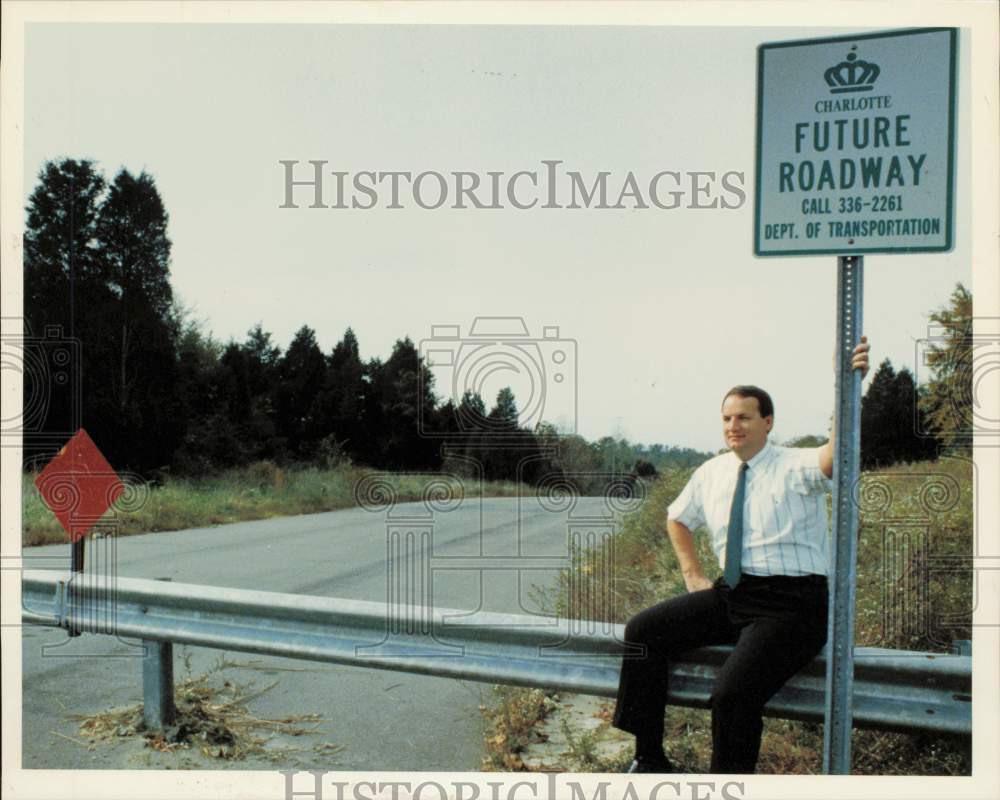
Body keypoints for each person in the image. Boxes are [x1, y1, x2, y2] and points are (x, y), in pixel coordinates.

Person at [611, 337, 871, 774]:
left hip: (793, 605)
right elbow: (677, 519)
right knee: (643, 631)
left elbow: (835, 453)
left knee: (732, 694)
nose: (734, 425)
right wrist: (693, 574)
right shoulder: (712, 471)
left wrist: (846, 387)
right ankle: (649, 757)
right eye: (727, 418)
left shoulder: (795, 465)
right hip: (732, 593)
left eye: (745, 417)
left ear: (768, 422)